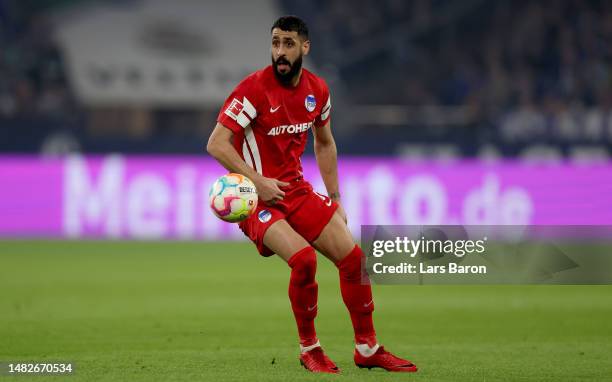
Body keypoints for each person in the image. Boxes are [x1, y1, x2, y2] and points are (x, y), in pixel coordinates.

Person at [206, 15, 417, 374]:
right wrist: (258, 182)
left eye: (288, 44)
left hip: (296, 191)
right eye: (275, 43)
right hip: (257, 200)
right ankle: (310, 349)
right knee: (304, 261)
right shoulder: (253, 89)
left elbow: (325, 143)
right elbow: (216, 143)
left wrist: (335, 198)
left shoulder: (318, 90)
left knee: (354, 261)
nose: (280, 52)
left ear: (305, 47)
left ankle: (367, 348)